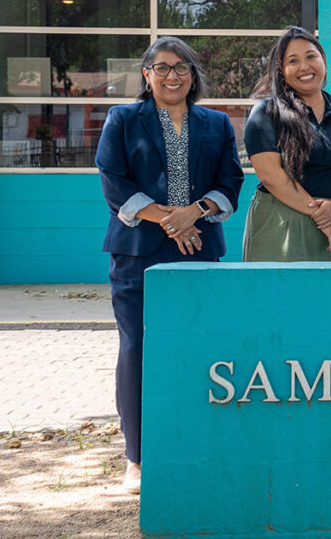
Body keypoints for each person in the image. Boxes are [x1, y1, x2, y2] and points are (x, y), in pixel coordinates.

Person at [95, 37, 244, 494]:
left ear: (193, 75)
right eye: (162, 68)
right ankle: (137, 457)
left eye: (182, 68)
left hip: (201, 249)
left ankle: (196, 443)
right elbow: (113, 181)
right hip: (138, 253)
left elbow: (230, 181)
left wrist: (192, 213)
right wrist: (169, 220)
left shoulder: (216, 123)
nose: (172, 76)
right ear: (147, 74)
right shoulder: (123, 119)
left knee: (199, 349)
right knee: (137, 348)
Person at [242, 27, 331, 262]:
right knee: (280, 297)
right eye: (293, 61)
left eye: (311, 56)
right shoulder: (266, 112)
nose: (304, 66)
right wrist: (323, 217)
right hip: (283, 220)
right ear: (281, 71)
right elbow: (271, 176)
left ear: (323, 61)